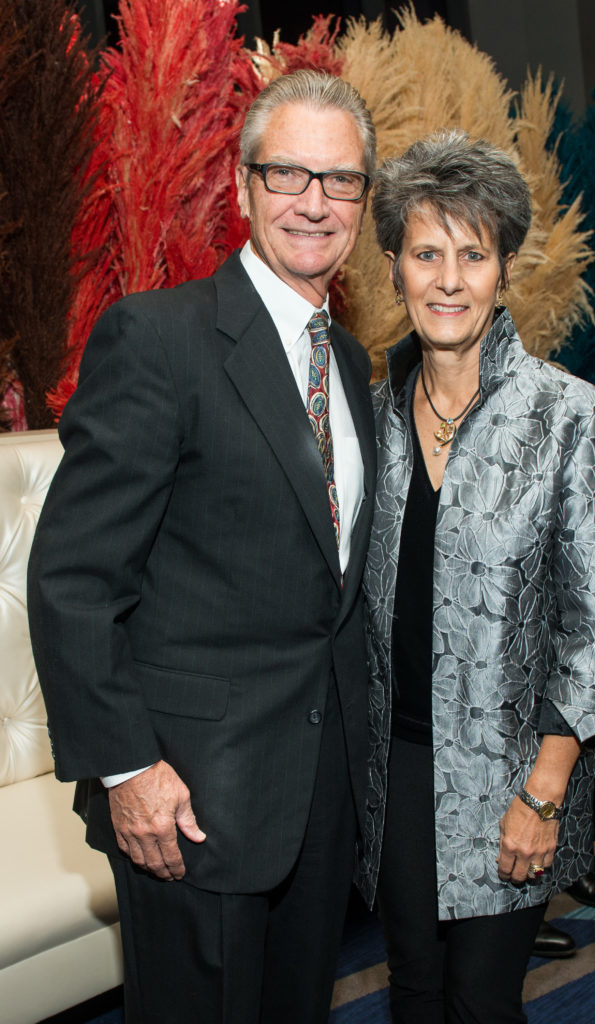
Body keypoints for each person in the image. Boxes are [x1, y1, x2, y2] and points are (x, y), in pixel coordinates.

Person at [27, 70, 377, 1024]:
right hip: (186, 802)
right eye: (288, 173)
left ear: (362, 200)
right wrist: (127, 769)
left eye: (340, 180)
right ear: (240, 185)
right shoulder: (157, 338)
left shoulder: (348, 360)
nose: (314, 201)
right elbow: (72, 580)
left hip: (319, 795)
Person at [356, 129, 595, 1023]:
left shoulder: (565, 415)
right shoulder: (369, 419)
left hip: (515, 770)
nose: (446, 279)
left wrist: (543, 794)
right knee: (416, 988)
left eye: (471, 255)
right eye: (425, 253)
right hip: (393, 766)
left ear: (504, 268)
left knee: (481, 1000)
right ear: (392, 264)